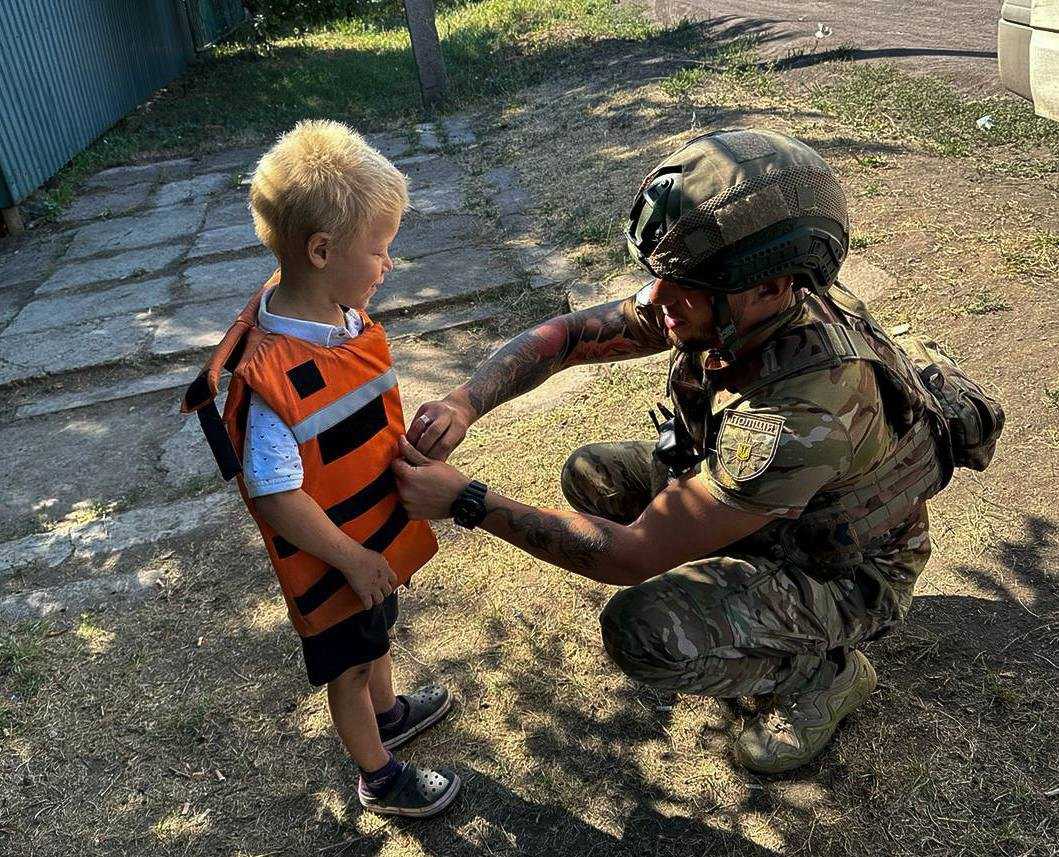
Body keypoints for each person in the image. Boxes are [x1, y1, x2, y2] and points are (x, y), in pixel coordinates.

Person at [393, 128, 957, 774]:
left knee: (642, 630)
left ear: (771, 286)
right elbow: (575, 335)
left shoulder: (801, 412)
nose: (655, 301)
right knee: (594, 475)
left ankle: (818, 674)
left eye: (684, 285)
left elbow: (633, 555)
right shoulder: (742, 296)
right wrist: (468, 400)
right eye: (659, 277)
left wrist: (466, 500)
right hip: (784, 511)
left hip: (846, 571)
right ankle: (740, 591)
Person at [181, 120, 460, 816]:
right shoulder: (274, 375)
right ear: (322, 250)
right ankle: (378, 773)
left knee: (379, 632)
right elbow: (274, 496)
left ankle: (389, 712)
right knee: (350, 663)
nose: (387, 264)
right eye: (380, 248)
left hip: (370, 542)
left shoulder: (337, 318)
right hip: (337, 558)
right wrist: (353, 557)